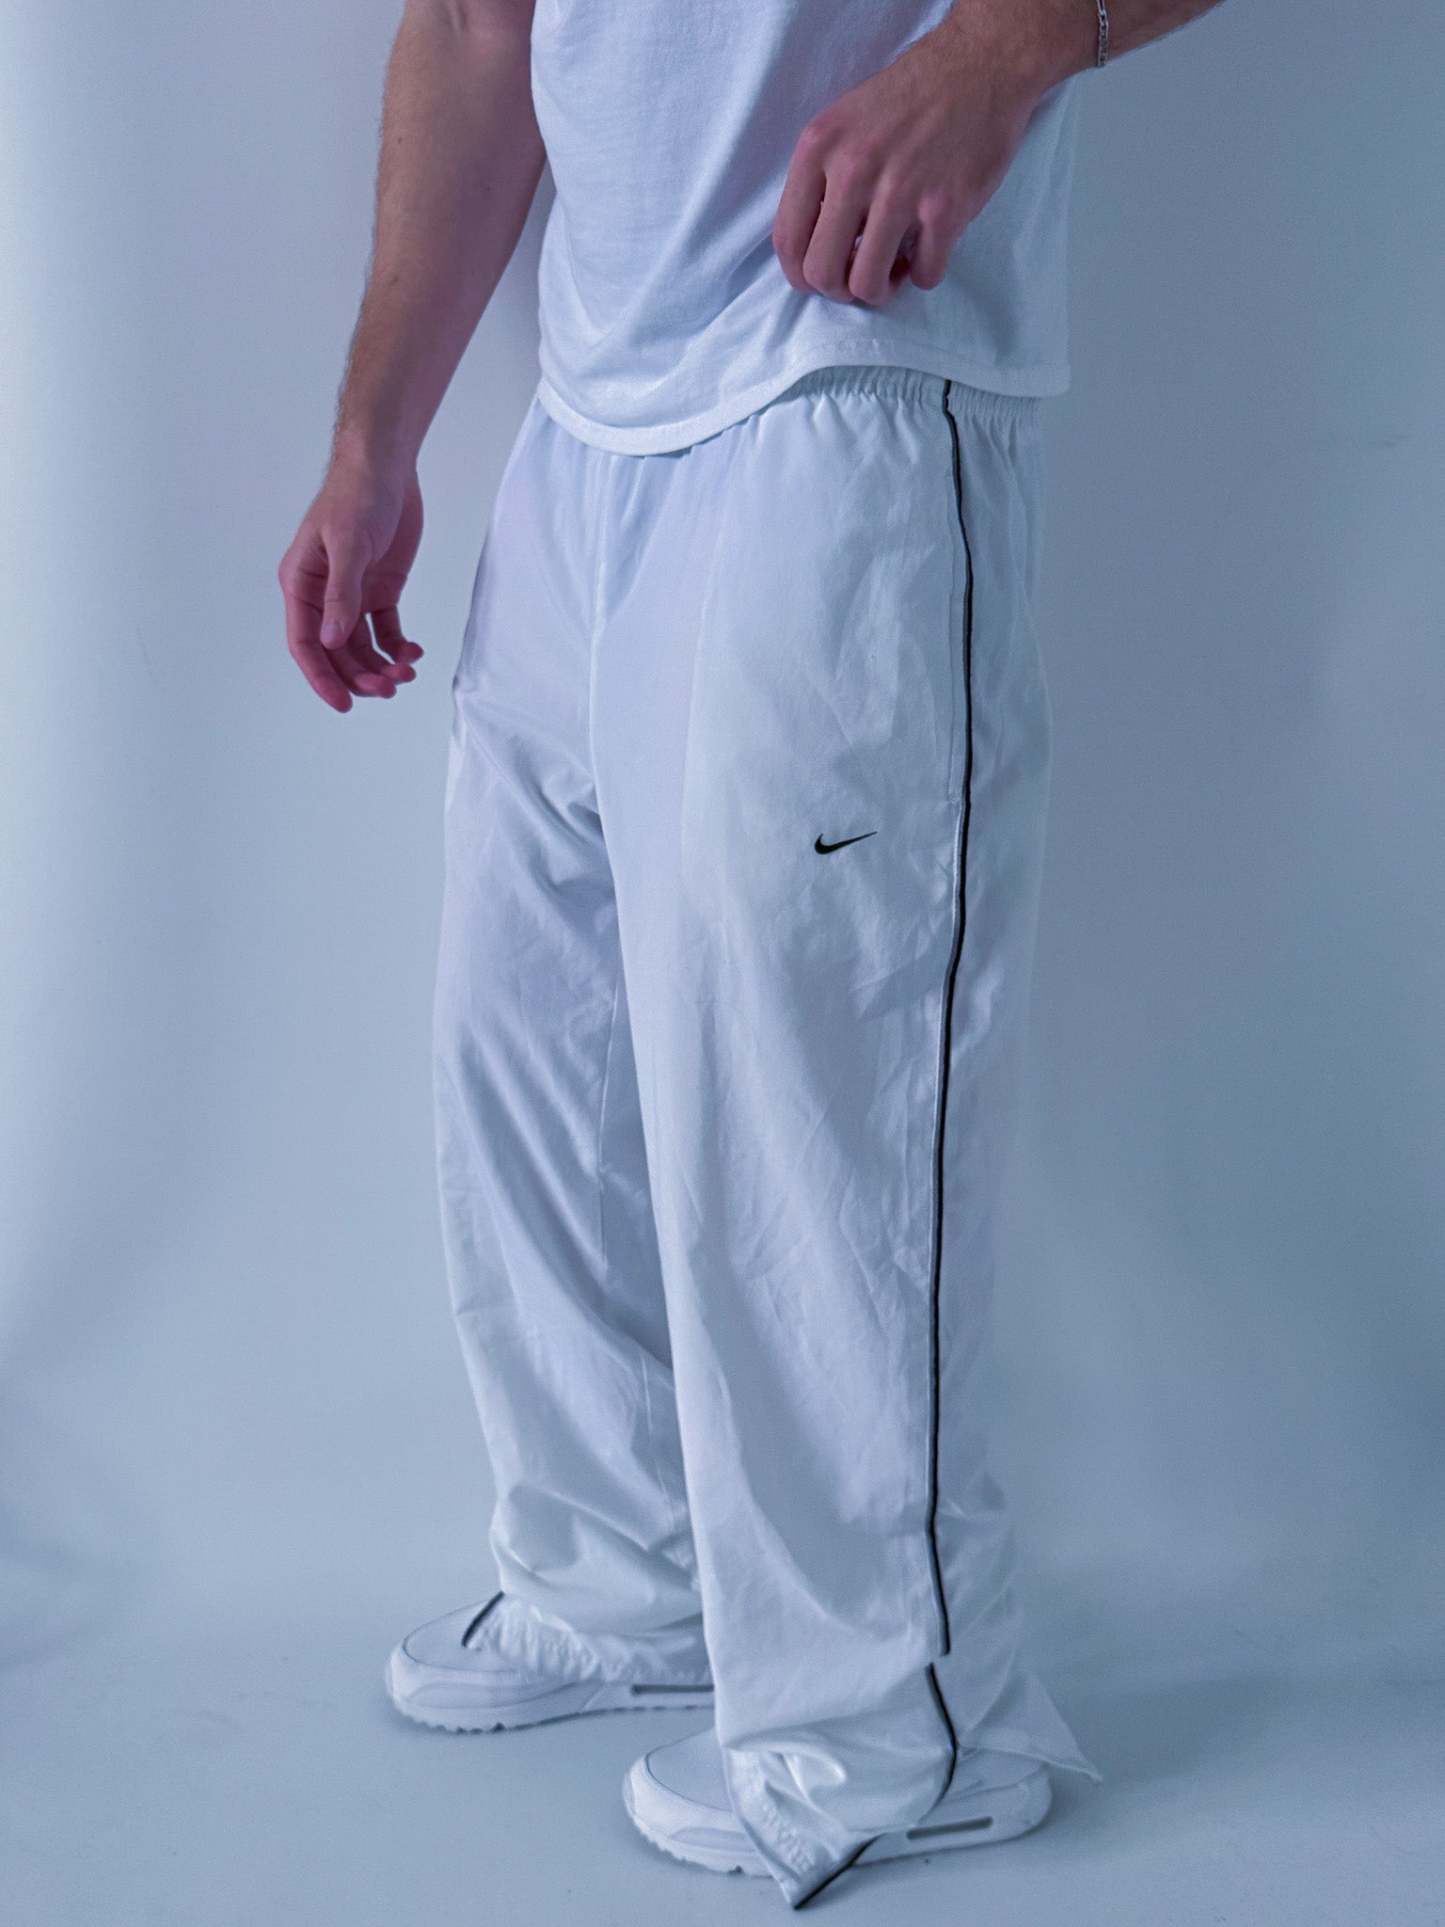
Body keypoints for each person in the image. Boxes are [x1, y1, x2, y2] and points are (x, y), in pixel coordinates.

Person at [277, 0, 1225, 1906]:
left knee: (815, 1092)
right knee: (530, 1056)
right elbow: (472, 24)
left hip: (845, 374)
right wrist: (375, 431)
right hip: (588, 416)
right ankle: (621, 1573)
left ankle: (900, 1721)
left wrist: (1000, 51)